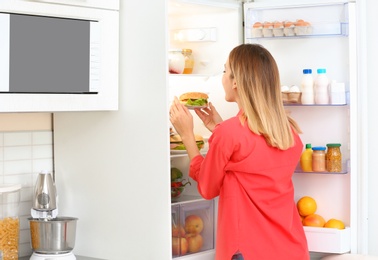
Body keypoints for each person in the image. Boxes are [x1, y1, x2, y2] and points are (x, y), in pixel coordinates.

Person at [169, 43, 309, 260]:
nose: (222, 77)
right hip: (291, 248)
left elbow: (207, 187)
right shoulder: (288, 131)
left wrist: (187, 135)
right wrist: (218, 129)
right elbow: (251, 158)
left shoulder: (230, 133)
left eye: (225, 71)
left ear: (235, 82)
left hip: (246, 251)